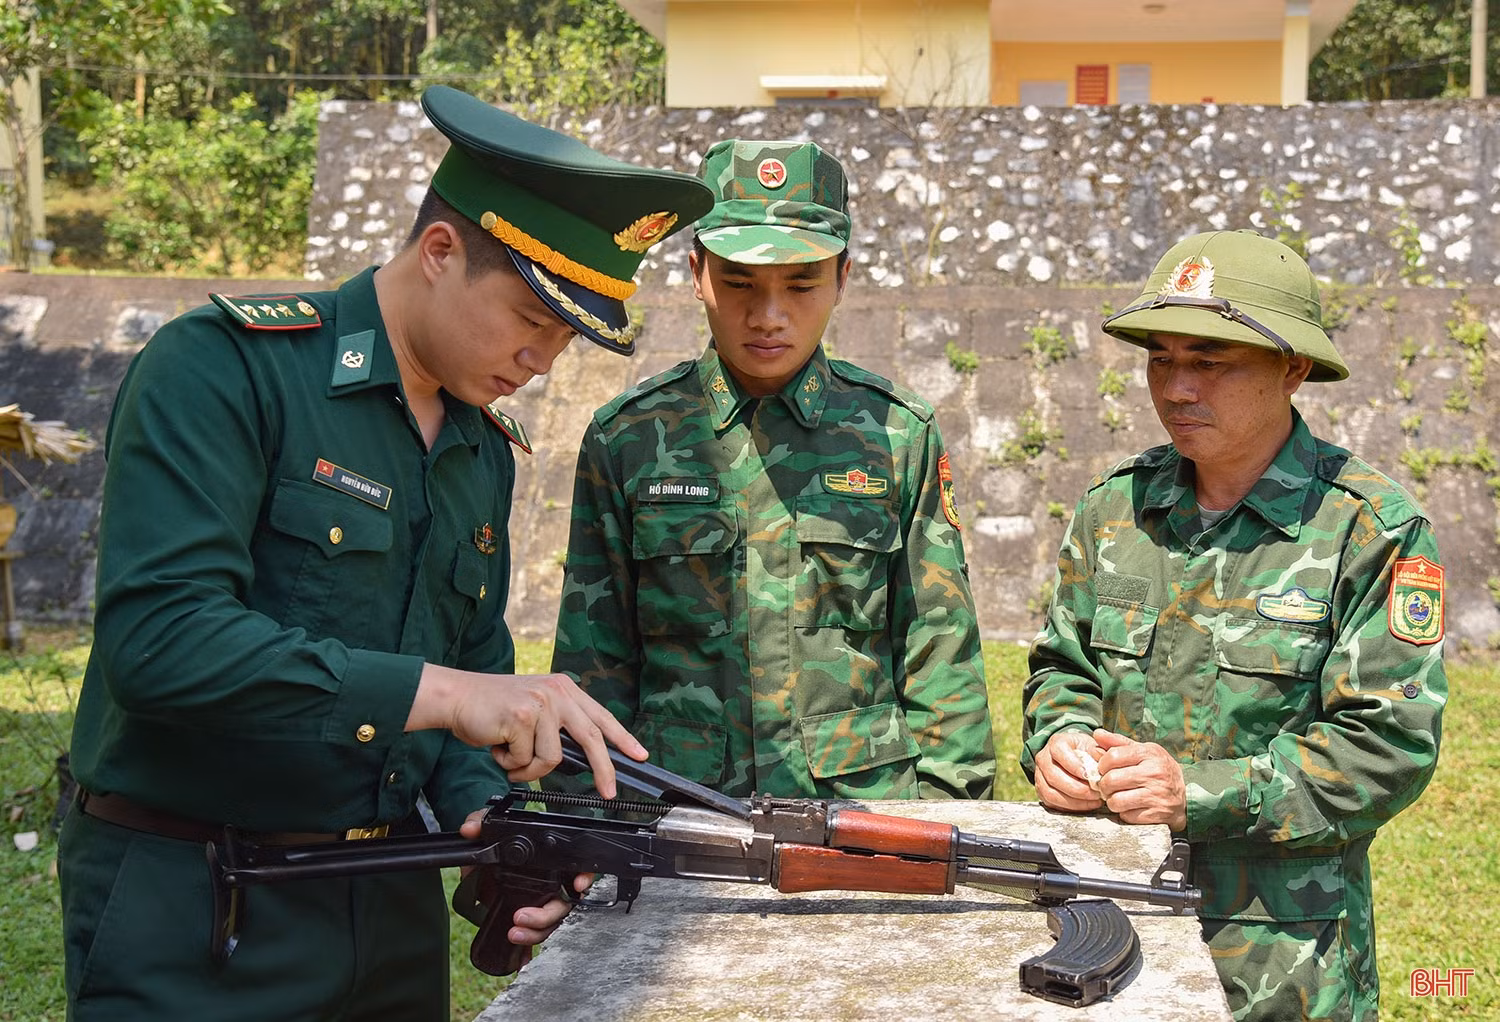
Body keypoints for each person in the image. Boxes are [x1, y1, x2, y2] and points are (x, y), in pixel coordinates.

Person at [58, 85, 713, 1021]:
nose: (544, 362)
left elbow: (471, 667)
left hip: (390, 906)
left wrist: (496, 821)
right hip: (202, 906)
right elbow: (161, 642)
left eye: (566, 339)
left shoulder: (480, 446)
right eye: (533, 322)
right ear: (441, 253)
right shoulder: (226, 371)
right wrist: (449, 694)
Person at [1021, 230, 1447, 1021]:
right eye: (1161, 359)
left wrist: (1199, 793)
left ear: (1293, 368)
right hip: (1105, 921)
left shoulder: (1368, 529)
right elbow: (1061, 669)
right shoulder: (1115, 509)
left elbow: (1388, 748)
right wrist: (1058, 738)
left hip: (1282, 955)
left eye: (1211, 362)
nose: (1177, 387)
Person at [549, 138, 996, 799]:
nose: (767, 316)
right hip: (677, 812)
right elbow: (594, 665)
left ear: (843, 279)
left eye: (801, 283)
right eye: (738, 283)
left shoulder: (897, 434)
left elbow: (940, 652)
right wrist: (579, 839)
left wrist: (950, 829)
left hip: (860, 819)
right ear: (697, 272)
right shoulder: (631, 439)